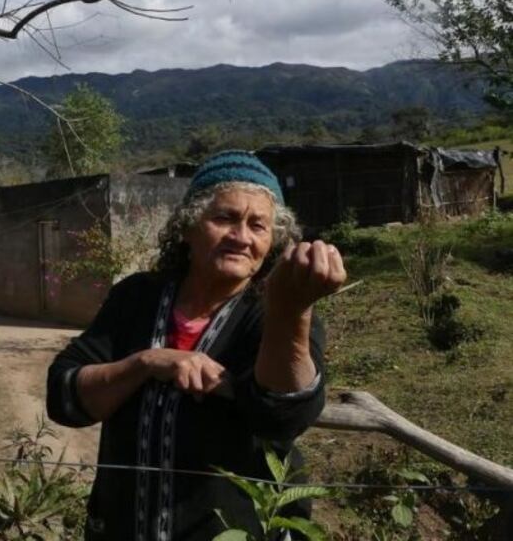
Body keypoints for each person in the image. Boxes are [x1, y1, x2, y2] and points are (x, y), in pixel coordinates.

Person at [46, 150, 346, 540]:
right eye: (224, 218)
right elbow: (64, 396)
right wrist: (147, 362)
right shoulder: (136, 297)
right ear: (187, 227)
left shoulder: (270, 317)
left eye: (258, 225)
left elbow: (282, 418)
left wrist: (292, 310)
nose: (241, 237)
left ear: (273, 242)